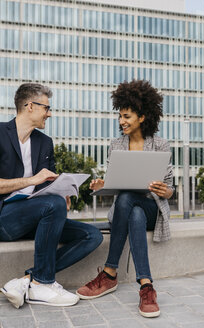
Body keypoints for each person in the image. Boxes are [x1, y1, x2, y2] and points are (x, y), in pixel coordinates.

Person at [0, 83, 103, 308]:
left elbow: (44, 189)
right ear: (30, 106)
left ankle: (28, 280)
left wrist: (62, 192)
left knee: (92, 235)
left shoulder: (44, 142)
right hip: (0, 218)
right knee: (51, 204)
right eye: (46, 108)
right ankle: (43, 283)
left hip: (35, 216)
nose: (49, 113)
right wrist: (32, 180)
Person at [76, 80, 173, 318]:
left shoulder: (160, 145)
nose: (122, 121)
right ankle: (146, 285)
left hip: (153, 209)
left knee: (134, 202)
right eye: (120, 116)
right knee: (132, 209)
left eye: (127, 116)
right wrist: (103, 185)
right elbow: (115, 182)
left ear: (142, 116)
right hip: (128, 211)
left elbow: (170, 190)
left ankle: (109, 273)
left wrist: (164, 191)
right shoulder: (116, 145)